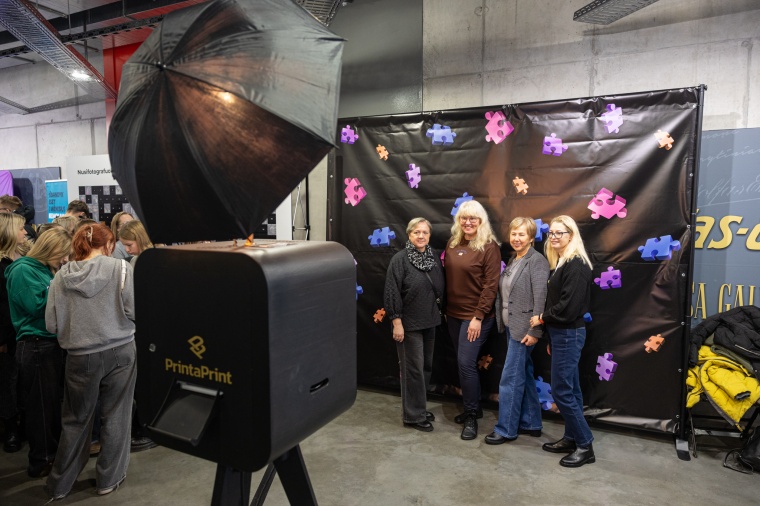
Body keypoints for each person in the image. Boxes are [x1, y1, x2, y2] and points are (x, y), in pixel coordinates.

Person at [45, 224, 136, 498]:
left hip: (79, 356)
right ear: (108, 244)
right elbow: (134, 310)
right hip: (120, 350)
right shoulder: (121, 269)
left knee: (75, 420)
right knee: (117, 415)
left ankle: (60, 485)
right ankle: (109, 479)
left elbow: (51, 324)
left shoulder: (61, 276)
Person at [529, 215, 595, 468]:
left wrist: (541, 318)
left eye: (560, 233)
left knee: (562, 391)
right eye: (552, 233)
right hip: (561, 334)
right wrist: (551, 336)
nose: (554, 237)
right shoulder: (562, 262)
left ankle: (585, 445)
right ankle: (572, 437)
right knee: (572, 389)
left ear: (571, 235)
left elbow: (568, 307)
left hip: (568, 332)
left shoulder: (576, 264)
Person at [6, 227, 72, 477]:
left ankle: (50, 456)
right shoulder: (23, 270)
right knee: (41, 409)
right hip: (35, 345)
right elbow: (38, 306)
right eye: (62, 254)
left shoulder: (44, 270)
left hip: (49, 345)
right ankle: (42, 460)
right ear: (50, 249)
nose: (65, 259)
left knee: (51, 406)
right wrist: (62, 286)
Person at [485, 217, 550, 445]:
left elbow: (540, 298)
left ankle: (506, 429)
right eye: (514, 234)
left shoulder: (537, 261)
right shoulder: (515, 259)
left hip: (524, 330)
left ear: (531, 238)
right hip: (511, 326)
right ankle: (532, 422)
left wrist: (535, 331)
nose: (516, 238)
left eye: (522, 234)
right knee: (525, 373)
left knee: (510, 379)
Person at [444, 200, 501, 440]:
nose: (468, 222)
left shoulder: (489, 247)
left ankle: (470, 416)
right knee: (462, 364)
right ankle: (474, 408)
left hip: (476, 317)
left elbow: (491, 285)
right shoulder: (453, 242)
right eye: (464, 218)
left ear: (481, 221)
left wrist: (478, 316)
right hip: (453, 315)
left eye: (473, 219)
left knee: (466, 364)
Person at [384, 218, 445, 432]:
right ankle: (413, 416)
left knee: (425, 368)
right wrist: (396, 322)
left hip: (430, 320)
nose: (421, 236)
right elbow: (392, 292)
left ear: (429, 235)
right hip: (408, 324)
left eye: (424, 232)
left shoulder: (433, 256)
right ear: (409, 234)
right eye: (416, 232)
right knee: (413, 371)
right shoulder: (400, 260)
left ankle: (418, 408)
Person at [0, 213, 28, 453]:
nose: (25, 232)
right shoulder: (3, 266)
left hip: (21, 333)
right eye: (21, 229)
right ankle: (11, 429)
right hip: (6, 336)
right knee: (7, 383)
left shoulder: (21, 258)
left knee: (19, 382)